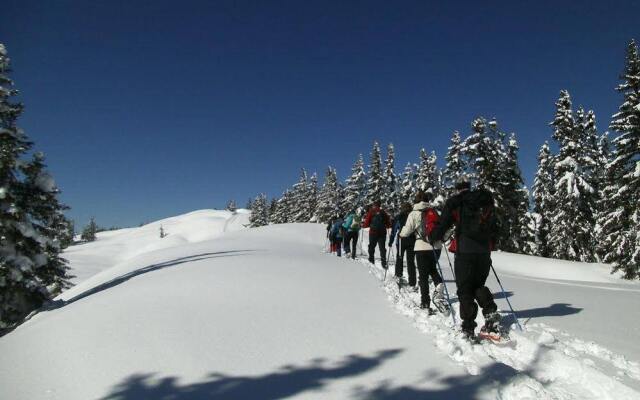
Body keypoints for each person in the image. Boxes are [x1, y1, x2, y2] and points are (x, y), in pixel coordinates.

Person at [429, 176, 501, 339]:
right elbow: (495, 225)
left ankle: (468, 327)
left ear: (457, 188)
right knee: (478, 285)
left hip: (465, 250)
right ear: (469, 186)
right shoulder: (484, 200)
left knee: (464, 289)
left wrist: (434, 236)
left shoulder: (456, 202)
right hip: (484, 251)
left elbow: (444, 224)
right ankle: (490, 315)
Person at [400, 191, 446, 313]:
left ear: (416, 201)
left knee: (423, 276)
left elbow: (407, 231)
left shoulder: (413, 213)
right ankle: (438, 283)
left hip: (421, 246)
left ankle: (425, 303)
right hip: (436, 247)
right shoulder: (434, 212)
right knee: (432, 269)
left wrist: (401, 234)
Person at [389, 203, 416, 287]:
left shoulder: (399, 217)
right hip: (412, 240)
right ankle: (412, 282)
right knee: (411, 261)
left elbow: (394, 230)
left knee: (400, 258)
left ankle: (398, 275)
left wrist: (391, 241)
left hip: (401, 240)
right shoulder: (413, 216)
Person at [362, 200, 392, 268]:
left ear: (374, 205)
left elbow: (366, 224)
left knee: (371, 247)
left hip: (373, 232)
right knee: (382, 248)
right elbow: (389, 224)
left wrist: (364, 225)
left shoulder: (371, 212)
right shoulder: (383, 212)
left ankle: (371, 261)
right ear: (380, 205)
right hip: (382, 233)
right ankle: (384, 264)